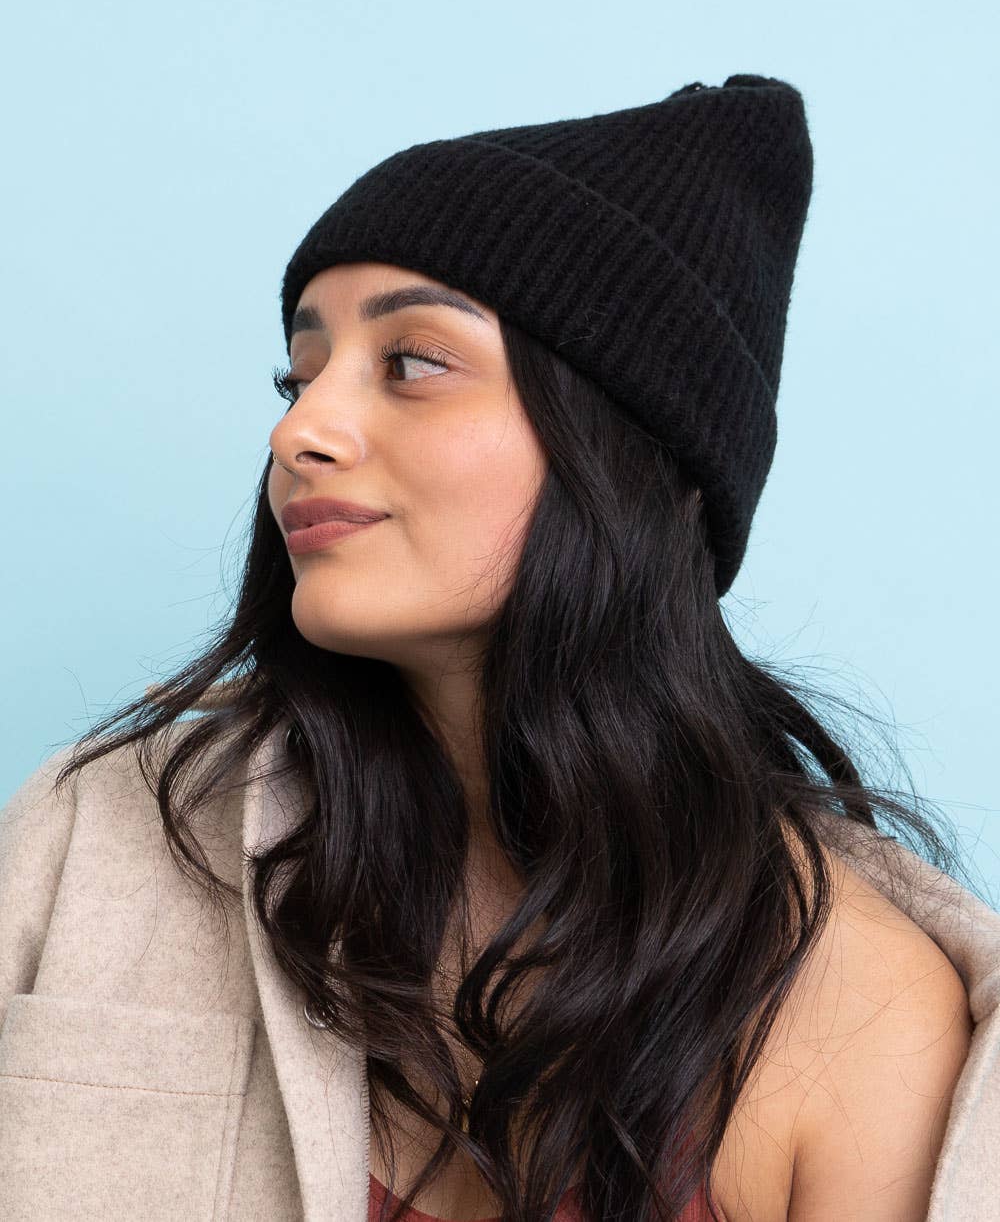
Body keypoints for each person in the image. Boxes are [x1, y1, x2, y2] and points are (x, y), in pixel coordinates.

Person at [2, 76, 998, 1222]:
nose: (298, 430)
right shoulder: (102, 837)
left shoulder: (861, 1008)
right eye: (300, 372)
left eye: (412, 364)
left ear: (623, 448)